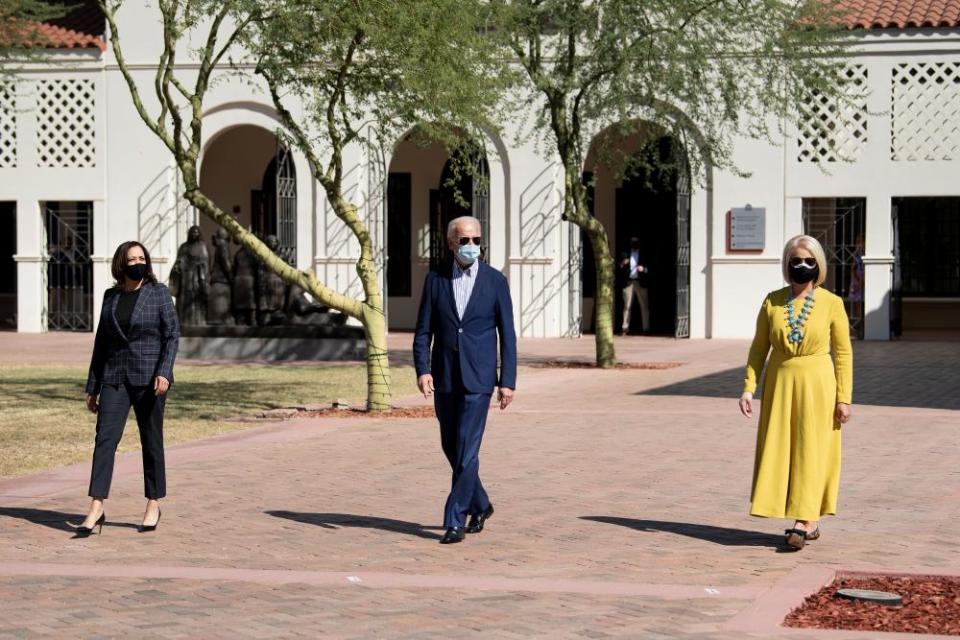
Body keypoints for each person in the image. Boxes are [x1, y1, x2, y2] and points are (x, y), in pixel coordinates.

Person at [738, 235, 853, 551]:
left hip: (818, 385)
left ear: (819, 266)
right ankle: (801, 516)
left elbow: (842, 353)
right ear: (786, 265)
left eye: (808, 261)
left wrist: (844, 397)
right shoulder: (773, 301)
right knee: (783, 449)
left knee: (811, 450)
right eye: (795, 261)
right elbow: (759, 348)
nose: (802, 266)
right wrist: (749, 388)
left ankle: (805, 520)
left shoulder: (832, 304)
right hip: (780, 384)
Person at [413, 215, 517, 545]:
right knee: (451, 446)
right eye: (464, 241)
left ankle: (455, 518)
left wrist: (508, 379)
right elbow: (423, 331)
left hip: (480, 378)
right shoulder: (435, 280)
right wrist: (423, 368)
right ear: (450, 244)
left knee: (468, 449)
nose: (471, 246)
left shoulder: (495, 281)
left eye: (476, 240)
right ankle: (482, 504)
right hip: (444, 376)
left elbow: (508, 335)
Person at [77, 241, 180, 537]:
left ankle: (153, 502)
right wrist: (93, 385)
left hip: (150, 379)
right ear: (122, 264)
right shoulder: (111, 297)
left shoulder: (158, 294)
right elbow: (102, 342)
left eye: (142, 258)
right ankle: (96, 506)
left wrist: (164, 372)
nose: (138, 263)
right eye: (132, 259)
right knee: (104, 440)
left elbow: (172, 335)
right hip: (114, 377)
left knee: (151, 440)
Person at [619, 236, 650, 334]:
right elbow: (619, 266)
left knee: (644, 306)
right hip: (629, 282)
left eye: (636, 242)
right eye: (633, 242)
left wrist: (644, 269)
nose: (634, 243)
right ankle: (625, 328)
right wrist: (623, 263)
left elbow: (650, 267)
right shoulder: (625, 253)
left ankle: (646, 328)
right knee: (627, 306)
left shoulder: (644, 254)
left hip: (640, 282)